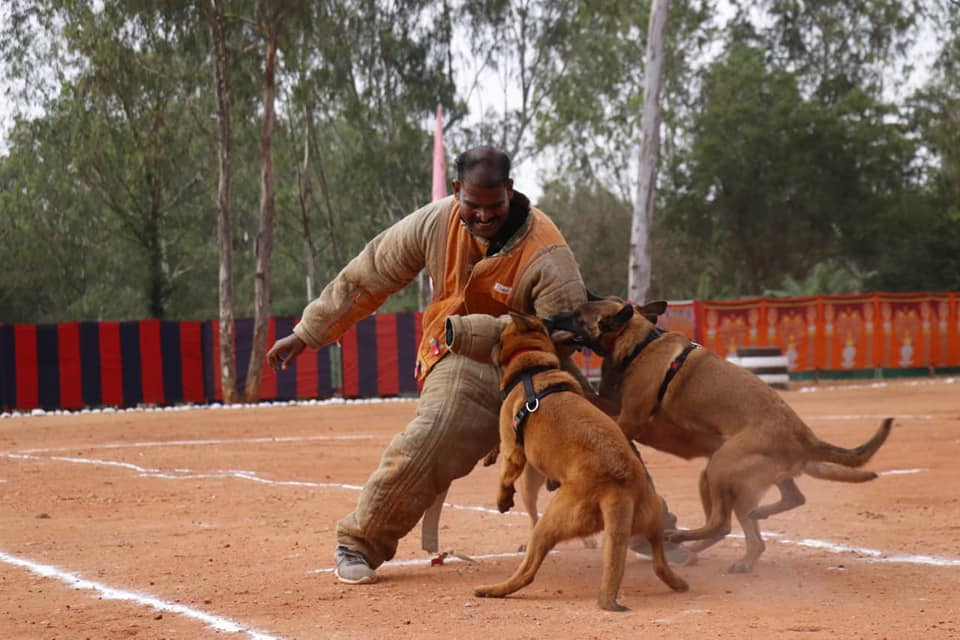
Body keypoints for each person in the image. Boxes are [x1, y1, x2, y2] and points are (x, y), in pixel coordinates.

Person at [266, 145, 689, 585]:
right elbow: (368, 274)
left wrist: (515, 397)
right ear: (456, 191)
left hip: (534, 360)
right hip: (457, 354)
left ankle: (650, 526)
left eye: (495, 206)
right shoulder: (434, 223)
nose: (484, 216)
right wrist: (309, 331)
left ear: (510, 190)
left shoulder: (549, 255)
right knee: (435, 431)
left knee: (599, 431)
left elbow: (561, 336)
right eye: (473, 206)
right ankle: (359, 542)